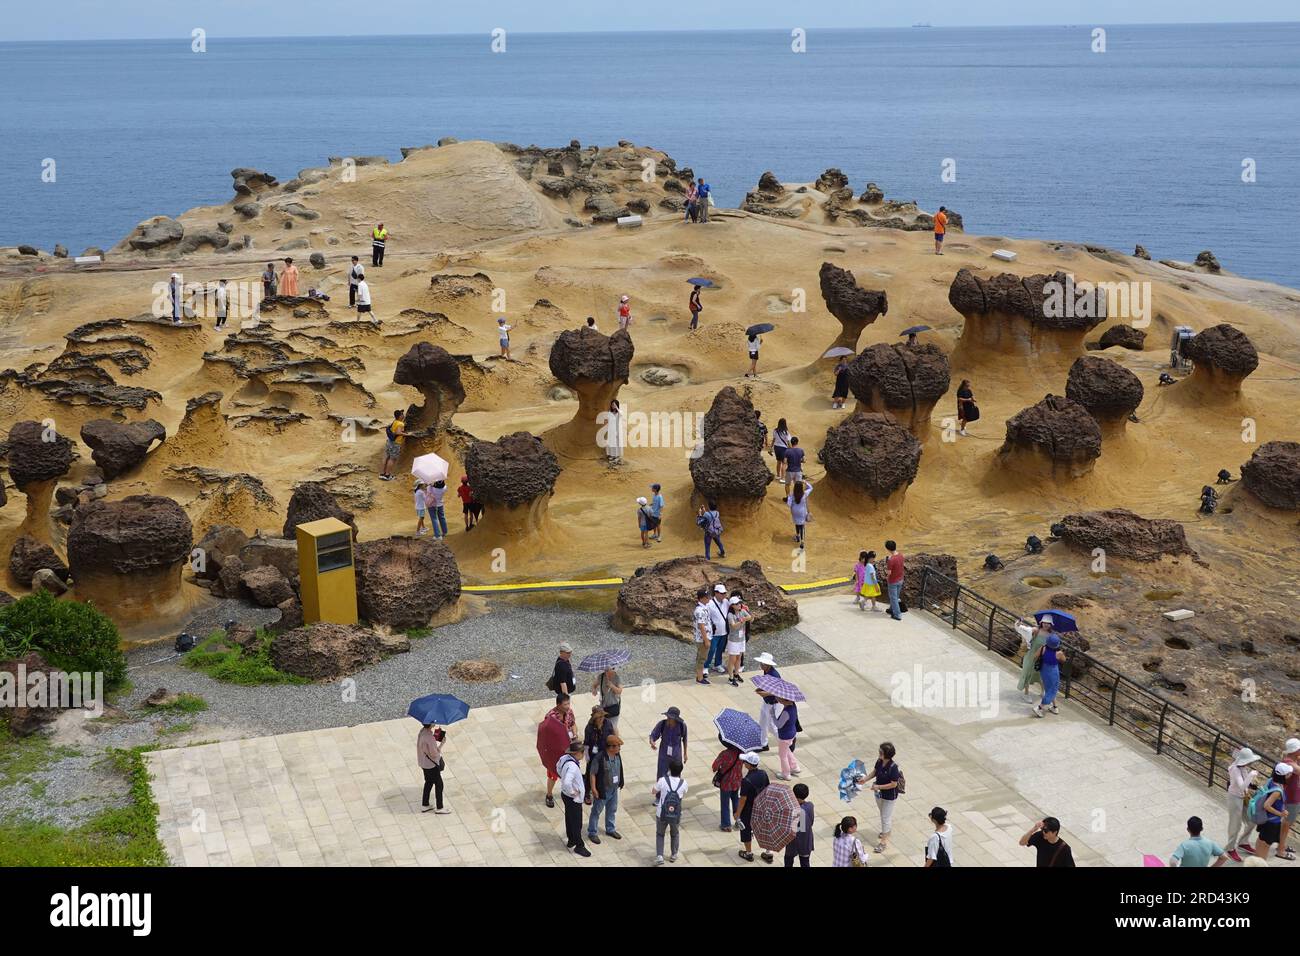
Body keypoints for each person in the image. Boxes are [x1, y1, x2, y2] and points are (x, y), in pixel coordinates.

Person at [1226, 746, 1262, 862]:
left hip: (1243, 797)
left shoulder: (1243, 768)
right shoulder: (1235, 769)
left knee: (1252, 820)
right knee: (1235, 825)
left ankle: (1243, 842)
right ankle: (1230, 848)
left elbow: (1245, 784)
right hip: (1234, 798)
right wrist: (1252, 775)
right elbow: (1241, 786)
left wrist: (1254, 786)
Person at [587, 734, 624, 844]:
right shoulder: (599, 758)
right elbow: (592, 773)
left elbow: (619, 768)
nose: (619, 748)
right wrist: (594, 789)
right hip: (603, 790)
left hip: (614, 789)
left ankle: (610, 829)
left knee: (612, 809)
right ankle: (592, 832)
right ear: (611, 747)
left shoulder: (617, 755)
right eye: (618, 746)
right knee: (596, 811)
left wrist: (620, 782)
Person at [865, 742, 902, 854]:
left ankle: (883, 841)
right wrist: (865, 779)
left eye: (881, 752)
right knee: (883, 814)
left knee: (885, 817)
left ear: (886, 754)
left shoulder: (893, 767)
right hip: (879, 794)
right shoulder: (879, 761)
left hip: (889, 796)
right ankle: (886, 831)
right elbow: (875, 772)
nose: (879, 753)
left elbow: (894, 784)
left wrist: (879, 786)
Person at [542, 693, 577, 809]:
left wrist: (575, 734)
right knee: (553, 774)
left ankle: (570, 791)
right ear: (558, 705)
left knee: (571, 770)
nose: (568, 706)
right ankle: (549, 794)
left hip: (568, 747)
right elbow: (547, 735)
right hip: (555, 750)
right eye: (565, 704)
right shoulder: (550, 717)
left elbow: (573, 724)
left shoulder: (569, 712)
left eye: (568, 703)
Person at [736, 752, 772, 863]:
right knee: (765, 829)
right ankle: (768, 853)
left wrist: (737, 813)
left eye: (745, 761)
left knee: (746, 830)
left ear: (749, 764)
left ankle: (749, 853)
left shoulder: (746, 781)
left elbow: (743, 799)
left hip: (749, 810)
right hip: (762, 808)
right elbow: (767, 789)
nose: (743, 763)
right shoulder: (763, 773)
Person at [1252, 762, 1292, 860]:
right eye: (1289, 773)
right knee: (1266, 846)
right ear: (1284, 776)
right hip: (1272, 822)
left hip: (1264, 818)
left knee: (1261, 840)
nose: (1290, 775)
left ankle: (1256, 859)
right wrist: (1281, 813)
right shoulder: (1277, 791)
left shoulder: (1270, 781)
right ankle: (1260, 862)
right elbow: (1267, 805)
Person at [557, 740, 590, 856]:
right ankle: (579, 845)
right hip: (572, 798)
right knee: (577, 822)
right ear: (577, 753)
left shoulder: (564, 758)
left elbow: (558, 768)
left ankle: (571, 840)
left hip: (565, 795)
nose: (583, 754)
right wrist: (572, 791)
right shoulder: (573, 767)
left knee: (569, 818)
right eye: (582, 752)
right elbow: (567, 782)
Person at [652, 759, 687, 864]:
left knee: (660, 834)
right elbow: (684, 793)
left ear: (669, 769)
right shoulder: (684, 783)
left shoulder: (663, 780)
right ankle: (674, 854)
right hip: (676, 814)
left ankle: (660, 856)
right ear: (681, 771)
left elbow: (654, 791)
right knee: (675, 833)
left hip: (661, 813)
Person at [582, 705, 613, 806]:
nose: (601, 719)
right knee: (590, 772)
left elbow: (612, 735)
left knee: (604, 772)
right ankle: (587, 792)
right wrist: (586, 756)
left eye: (602, 716)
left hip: (604, 752)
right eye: (599, 717)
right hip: (593, 755)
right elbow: (586, 743)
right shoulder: (589, 728)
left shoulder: (607, 723)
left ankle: (601, 788)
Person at [416, 721, 450, 814]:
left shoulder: (422, 732)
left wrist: (434, 739)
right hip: (431, 765)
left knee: (429, 782)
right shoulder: (429, 738)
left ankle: (425, 804)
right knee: (439, 784)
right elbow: (434, 754)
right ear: (430, 724)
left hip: (423, 763)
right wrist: (442, 744)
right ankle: (439, 807)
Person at [712, 736, 744, 831]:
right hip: (737, 781)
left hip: (726, 783)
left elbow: (714, 767)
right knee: (736, 800)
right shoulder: (741, 753)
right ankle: (738, 821)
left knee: (725, 803)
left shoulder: (724, 754)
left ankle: (726, 825)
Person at [1016, 614, 1052, 697]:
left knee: (1042, 676)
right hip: (1031, 656)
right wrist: (1019, 624)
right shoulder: (1036, 630)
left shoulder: (1051, 635)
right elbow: (1026, 630)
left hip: (1042, 659)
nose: (1046, 624)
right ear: (1041, 623)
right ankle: (1026, 693)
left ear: (1051, 624)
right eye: (1045, 622)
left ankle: (1043, 692)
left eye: (1048, 623)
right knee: (1027, 674)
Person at [1033, 632, 1067, 718]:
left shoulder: (1043, 648)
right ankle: (1039, 707)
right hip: (1053, 672)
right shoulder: (1059, 653)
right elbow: (1064, 660)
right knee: (1052, 690)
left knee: (1049, 688)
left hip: (1044, 670)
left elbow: (1035, 656)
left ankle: (1055, 707)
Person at [649, 706, 688, 779]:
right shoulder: (662, 724)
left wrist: (685, 753)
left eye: (671, 718)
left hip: (676, 755)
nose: (668, 719)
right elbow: (653, 734)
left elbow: (685, 739)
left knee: (676, 776)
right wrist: (652, 741)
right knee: (661, 775)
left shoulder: (682, 726)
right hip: (664, 755)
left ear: (675, 719)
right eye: (668, 717)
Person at [753, 652, 781, 750]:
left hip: (773, 704)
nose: (761, 666)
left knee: (771, 726)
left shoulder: (774, 675)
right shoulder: (767, 671)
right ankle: (763, 744)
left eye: (763, 664)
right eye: (761, 663)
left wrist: (766, 693)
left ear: (768, 664)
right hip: (766, 702)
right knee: (762, 723)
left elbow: (778, 692)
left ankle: (785, 741)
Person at [1278, 738, 1300, 862]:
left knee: (1287, 824)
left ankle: (1282, 845)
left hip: (1294, 798)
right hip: (1291, 799)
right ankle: (1280, 850)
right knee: (1286, 825)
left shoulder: (1293, 760)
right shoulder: (1289, 763)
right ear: (1296, 750)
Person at [785, 783, 815, 867]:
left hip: (793, 841)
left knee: (788, 860)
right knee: (805, 862)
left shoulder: (796, 811)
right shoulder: (810, 805)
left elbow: (794, 828)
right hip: (806, 839)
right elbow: (811, 822)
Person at [725, 595, 752, 686]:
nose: (739, 605)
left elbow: (750, 617)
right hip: (733, 640)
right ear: (732, 605)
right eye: (736, 604)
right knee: (732, 659)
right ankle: (730, 677)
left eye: (739, 603)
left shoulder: (742, 611)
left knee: (739, 658)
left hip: (741, 639)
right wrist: (741, 621)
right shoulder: (730, 615)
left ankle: (736, 673)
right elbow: (733, 626)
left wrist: (743, 619)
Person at [704, 582, 730, 677]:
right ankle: (705, 666)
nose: (724, 595)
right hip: (714, 632)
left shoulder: (726, 602)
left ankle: (717, 664)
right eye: (722, 593)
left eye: (724, 593)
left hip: (724, 631)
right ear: (716, 593)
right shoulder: (710, 604)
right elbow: (706, 617)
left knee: (720, 649)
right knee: (711, 649)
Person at [774, 695, 801, 780]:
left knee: (783, 755)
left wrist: (772, 715)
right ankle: (794, 767)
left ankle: (786, 774)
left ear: (785, 700)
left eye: (779, 698)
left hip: (785, 736)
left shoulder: (786, 712)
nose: (777, 698)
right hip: (792, 732)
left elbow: (778, 724)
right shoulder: (793, 705)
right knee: (787, 750)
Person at [592, 664, 622, 732]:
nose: (607, 672)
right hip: (603, 706)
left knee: (613, 726)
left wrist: (612, 686)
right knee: (603, 725)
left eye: (608, 669)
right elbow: (594, 685)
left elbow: (619, 691)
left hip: (614, 705)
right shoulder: (601, 676)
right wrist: (594, 689)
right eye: (606, 670)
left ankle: (616, 740)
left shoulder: (617, 678)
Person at [692, 588, 712, 685]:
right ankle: (699, 678)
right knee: (701, 658)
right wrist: (706, 640)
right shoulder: (700, 610)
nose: (709, 598)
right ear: (702, 598)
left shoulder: (704, 607)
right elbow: (701, 626)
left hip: (704, 637)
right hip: (702, 639)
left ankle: (699, 675)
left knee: (701, 657)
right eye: (707, 597)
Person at [379, 409, 404, 480]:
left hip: (389, 441)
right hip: (396, 443)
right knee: (392, 459)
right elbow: (398, 433)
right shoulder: (400, 424)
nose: (403, 415)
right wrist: (407, 434)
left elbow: (390, 427)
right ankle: (387, 475)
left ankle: (382, 474)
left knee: (386, 456)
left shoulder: (395, 421)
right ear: (400, 416)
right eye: (402, 414)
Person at [787, 479, 812, 549]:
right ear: (801, 487)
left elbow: (789, 504)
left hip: (795, 511)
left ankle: (797, 536)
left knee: (797, 524)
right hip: (802, 511)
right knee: (802, 526)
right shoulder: (805, 493)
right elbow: (811, 488)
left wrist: (788, 497)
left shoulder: (792, 495)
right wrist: (805, 482)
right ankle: (802, 541)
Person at [884, 540, 905, 621]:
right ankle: (891, 609)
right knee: (895, 596)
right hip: (900, 579)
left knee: (893, 598)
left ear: (888, 549)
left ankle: (897, 614)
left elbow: (889, 572)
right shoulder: (901, 555)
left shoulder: (891, 560)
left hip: (893, 581)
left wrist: (886, 575)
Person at [606, 398, 623, 464]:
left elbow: (621, 414)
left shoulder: (619, 412)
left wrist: (617, 408)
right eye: (612, 405)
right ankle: (612, 455)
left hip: (617, 431)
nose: (613, 406)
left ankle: (617, 456)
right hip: (611, 430)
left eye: (614, 405)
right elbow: (608, 420)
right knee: (611, 443)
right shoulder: (610, 412)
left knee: (616, 444)